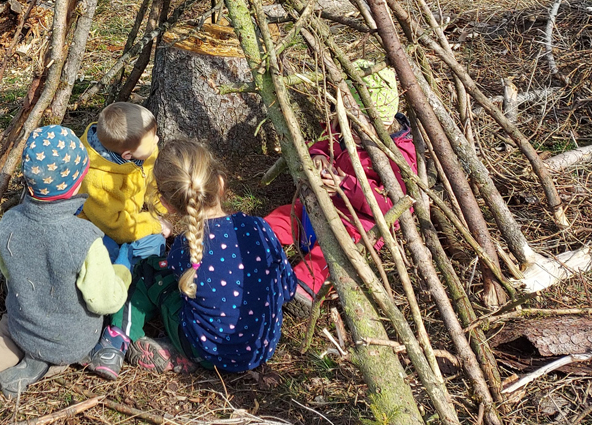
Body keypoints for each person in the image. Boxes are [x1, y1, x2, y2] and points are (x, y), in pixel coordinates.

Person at [0, 125, 133, 398]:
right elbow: (104, 301)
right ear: (78, 180)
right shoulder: (84, 238)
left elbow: (11, 275)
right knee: (53, 349)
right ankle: (35, 367)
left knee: (7, 333)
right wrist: (122, 271)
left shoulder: (9, 223)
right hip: (69, 339)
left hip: (22, 321)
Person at [102, 141, 298, 374]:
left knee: (148, 273)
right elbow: (288, 288)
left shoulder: (185, 248)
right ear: (221, 183)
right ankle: (176, 350)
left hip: (205, 350)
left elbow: (182, 280)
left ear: (167, 204)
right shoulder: (260, 228)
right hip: (260, 349)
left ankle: (118, 337)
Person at [262, 64, 418, 309]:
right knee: (284, 218)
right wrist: (318, 155)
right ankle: (254, 242)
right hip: (317, 207)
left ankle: (303, 288)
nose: (349, 133)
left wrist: (346, 186)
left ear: (381, 125)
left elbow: (393, 207)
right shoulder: (342, 128)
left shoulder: (398, 157)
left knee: (332, 256)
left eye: (356, 128)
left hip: (355, 226)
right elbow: (325, 140)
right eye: (346, 124)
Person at [78, 102, 171, 264]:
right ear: (128, 155)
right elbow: (114, 226)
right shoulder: (97, 179)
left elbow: (151, 181)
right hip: (99, 225)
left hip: (125, 219)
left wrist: (160, 208)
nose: (157, 139)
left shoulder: (144, 150)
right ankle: (122, 274)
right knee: (107, 251)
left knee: (156, 242)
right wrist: (154, 223)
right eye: (152, 140)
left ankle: (126, 260)